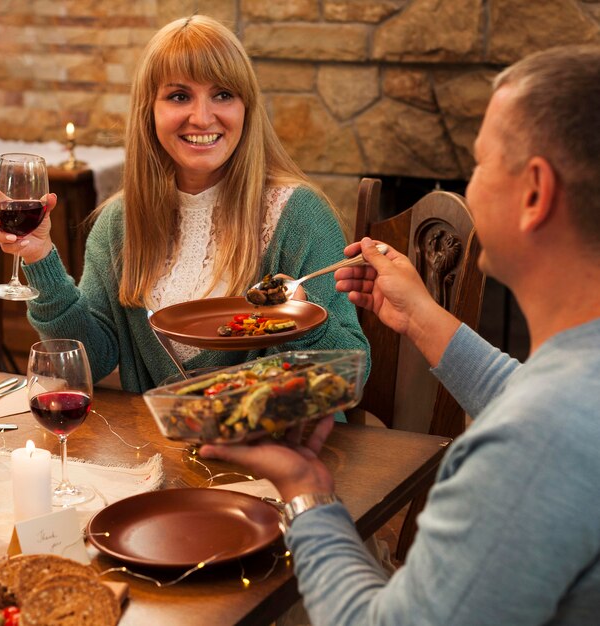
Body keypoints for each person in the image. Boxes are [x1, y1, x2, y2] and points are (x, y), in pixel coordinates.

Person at [200, 44, 600, 625]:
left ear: (535, 193)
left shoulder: (532, 445)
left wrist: (307, 489)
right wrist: (419, 318)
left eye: (482, 163)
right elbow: (530, 393)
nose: (473, 181)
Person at [0, 15, 369, 393]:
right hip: (160, 448)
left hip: (284, 448)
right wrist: (40, 256)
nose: (202, 117)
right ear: (149, 111)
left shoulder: (298, 215)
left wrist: (300, 321)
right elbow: (92, 361)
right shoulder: (121, 222)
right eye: (179, 96)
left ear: (247, 109)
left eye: (223, 94)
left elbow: (350, 373)